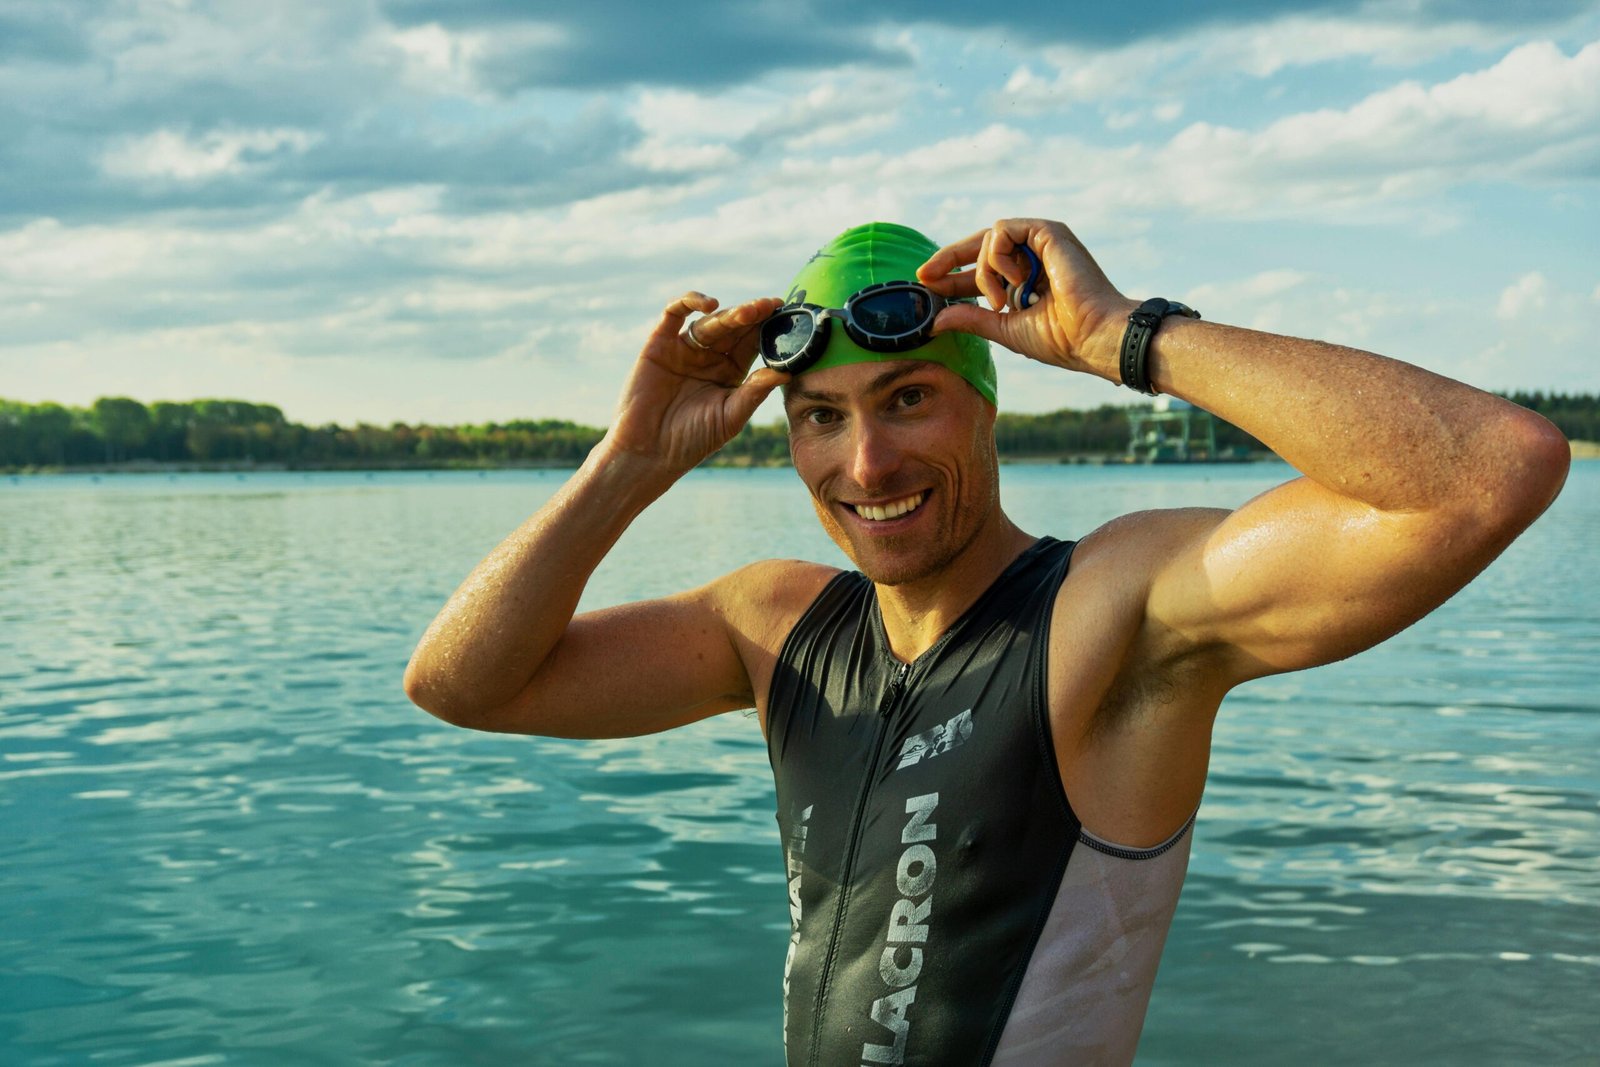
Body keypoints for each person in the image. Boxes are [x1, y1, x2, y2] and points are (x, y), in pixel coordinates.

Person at [403, 219, 1569, 1065]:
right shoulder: (776, 628)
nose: (866, 466)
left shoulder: (1109, 612)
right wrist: (631, 464)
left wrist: (1126, 336)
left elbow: (1486, 470)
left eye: (909, 398)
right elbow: (461, 682)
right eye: (823, 417)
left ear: (985, 400)